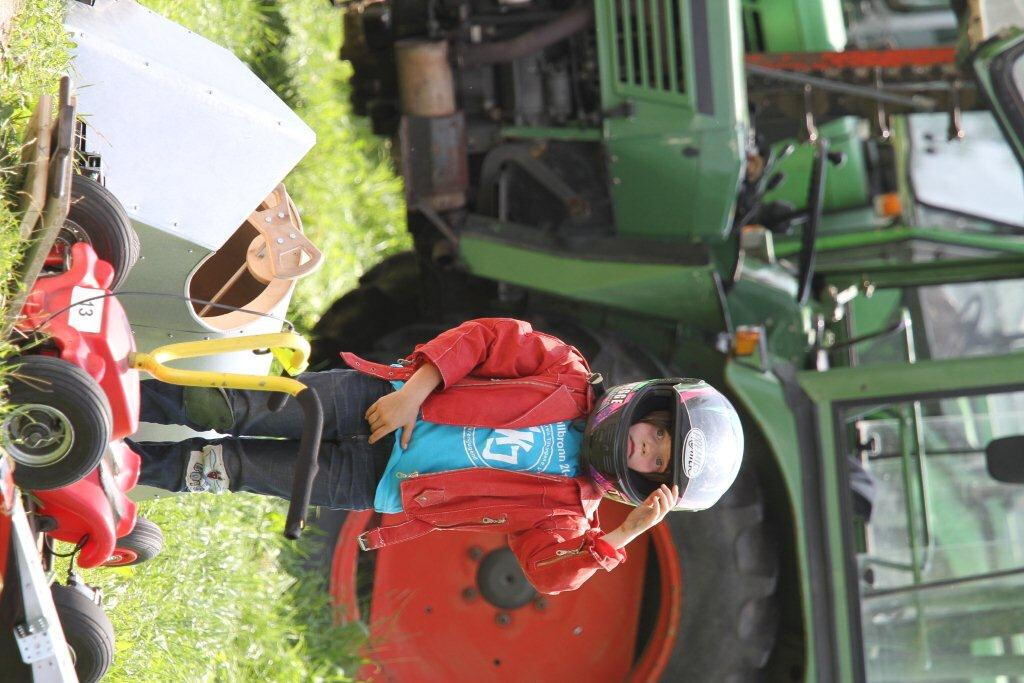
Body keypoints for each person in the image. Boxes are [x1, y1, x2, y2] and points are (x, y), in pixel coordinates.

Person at [132, 318, 744, 593]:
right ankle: (114, 394)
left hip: (372, 482)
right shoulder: (566, 372)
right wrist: (412, 394)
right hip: (379, 400)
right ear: (648, 407)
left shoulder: (568, 515)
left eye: (655, 462)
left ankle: (121, 468)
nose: (645, 447)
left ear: (644, 484)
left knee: (229, 469)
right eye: (659, 434)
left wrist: (620, 539)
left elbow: (548, 574)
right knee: (241, 408)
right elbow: (487, 338)